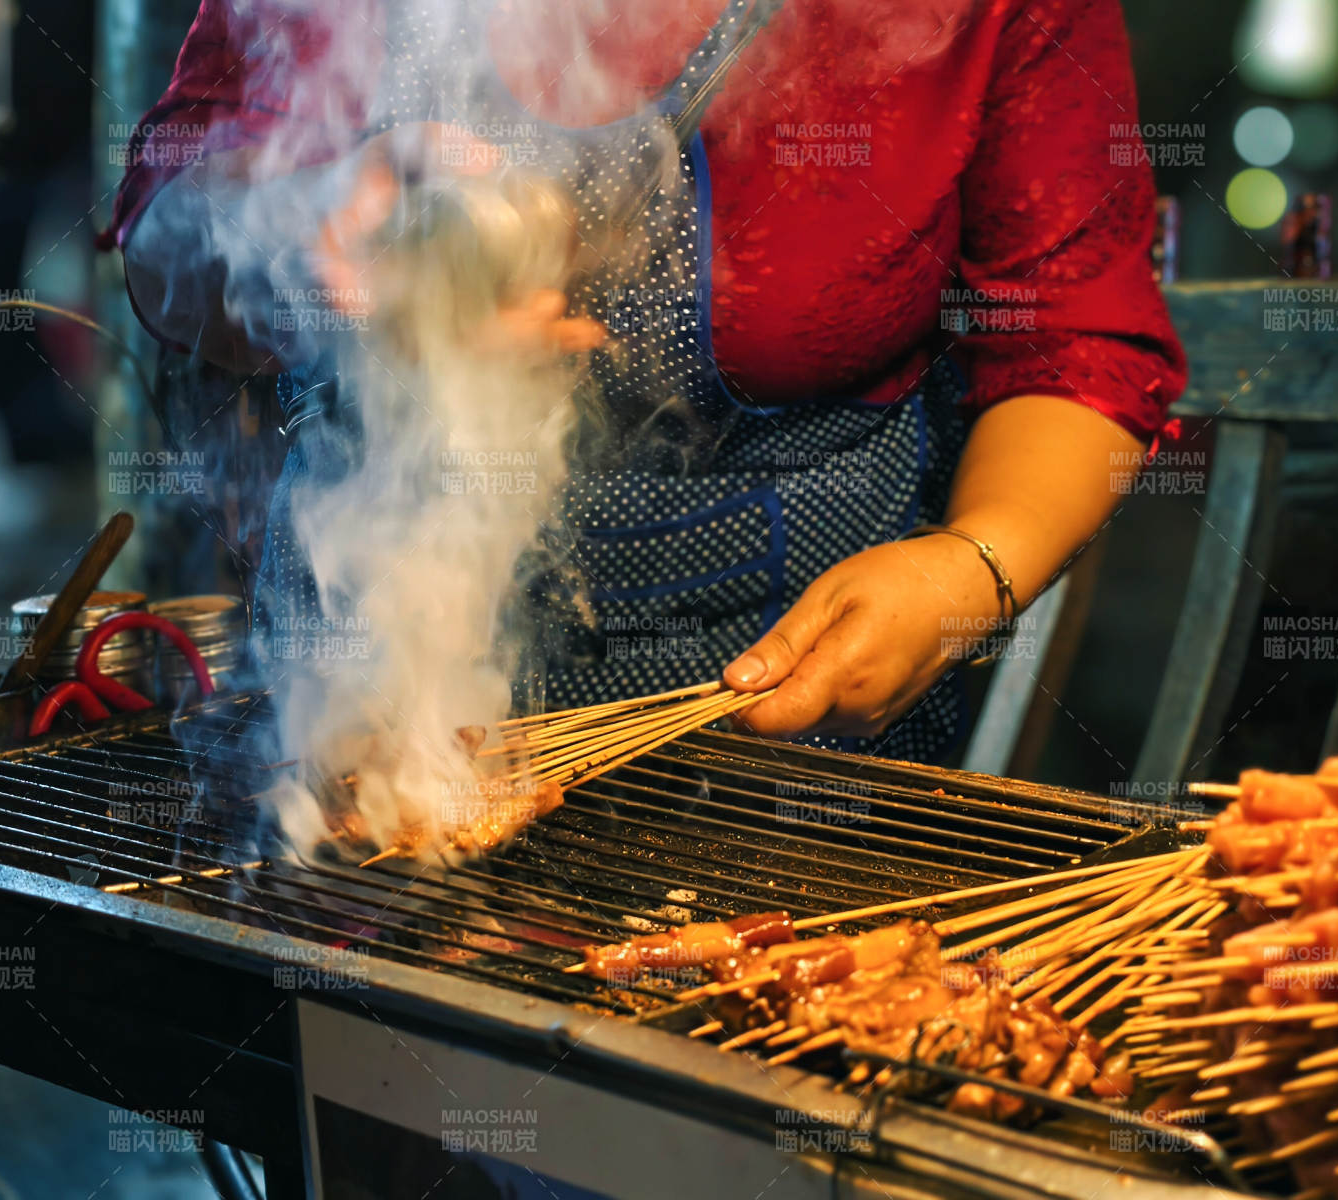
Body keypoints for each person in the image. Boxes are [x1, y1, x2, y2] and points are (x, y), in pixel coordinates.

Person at [101, 0, 1186, 763]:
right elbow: (163, 233)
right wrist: (297, 234)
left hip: (788, 751)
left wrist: (967, 567)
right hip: (354, 708)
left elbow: (1074, 340)